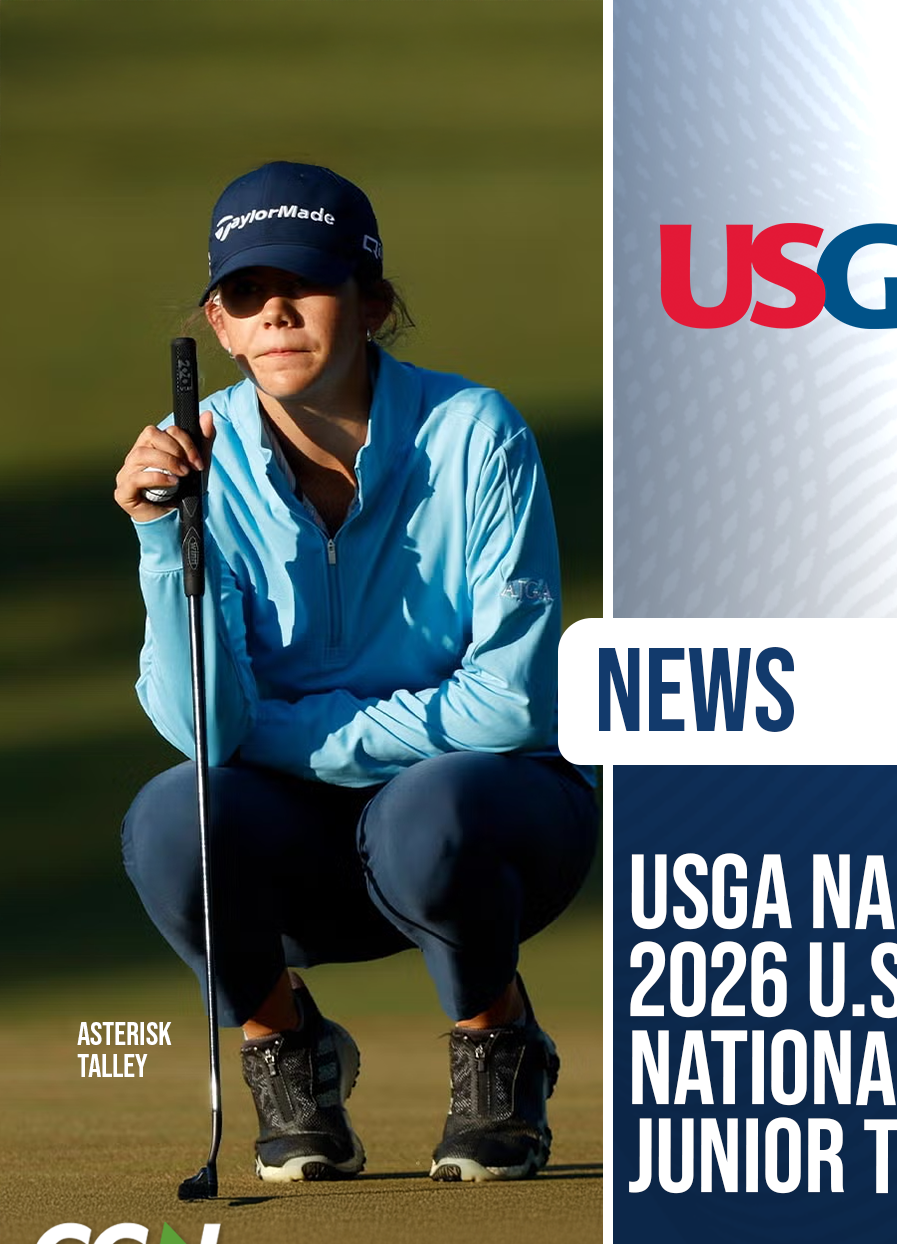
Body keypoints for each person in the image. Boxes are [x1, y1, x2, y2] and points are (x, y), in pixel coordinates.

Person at [115, 161, 597, 1183]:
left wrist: (299, 734)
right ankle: (286, 1046)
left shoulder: (476, 433)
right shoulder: (203, 464)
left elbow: (510, 703)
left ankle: (497, 1039)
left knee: (426, 811)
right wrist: (166, 541)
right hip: (304, 848)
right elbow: (208, 731)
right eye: (248, 293)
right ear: (221, 323)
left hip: (491, 823)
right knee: (171, 817)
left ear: (373, 302)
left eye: (311, 283)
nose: (278, 309)